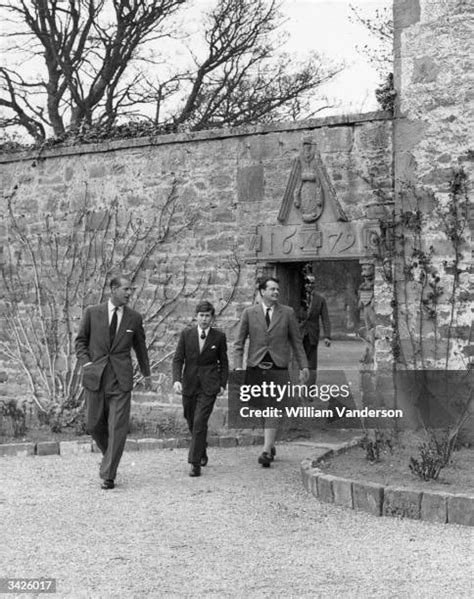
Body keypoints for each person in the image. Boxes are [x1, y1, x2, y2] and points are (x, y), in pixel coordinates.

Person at [75, 275, 151, 490]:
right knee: (93, 424)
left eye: (131, 290)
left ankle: (108, 474)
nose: (129, 293)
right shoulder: (92, 313)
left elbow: (141, 347)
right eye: (126, 289)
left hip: (121, 380)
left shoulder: (134, 318)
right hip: (96, 378)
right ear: (114, 289)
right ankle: (110, 456)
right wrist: (87, 364)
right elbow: (80, 341)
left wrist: (147, 374)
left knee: (117, 427)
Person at [234, 277, 309, 468]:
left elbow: (297, 342)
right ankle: (271, 442)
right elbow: (239, 343)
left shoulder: (287, 313)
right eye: (272, 289)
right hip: (256, 365)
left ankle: (266, 450)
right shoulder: (249, 313)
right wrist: (237, 367)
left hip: (278, 366)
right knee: (260, 407)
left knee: (272, 407)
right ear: (262, 291)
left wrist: (304, 366)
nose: (276, 292)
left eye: (278, 289)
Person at [172, 300, 228, 477]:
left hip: (209, 386)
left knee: (199, 421)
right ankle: (201, 449)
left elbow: (224, 362)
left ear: (212, 318)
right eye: (201, 315)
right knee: (190, 419)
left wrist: (222, 383)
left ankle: (194, 463)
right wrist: (176, 380)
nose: (204, 319)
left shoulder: (218, 337)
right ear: (196, 317)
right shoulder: (186, 334)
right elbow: (178, 359)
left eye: (208, 316)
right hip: (189, 385)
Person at [299, 275, 331, 385]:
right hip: (299, 334)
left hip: (312, 335)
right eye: (307, 283)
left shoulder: (320, 300)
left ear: (315, 285)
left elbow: (325, 318)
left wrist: (327, 336)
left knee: (311, 364)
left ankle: (309, 392)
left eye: (312, 283)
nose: (309, 285)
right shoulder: (298, 298)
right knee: (298, 362)